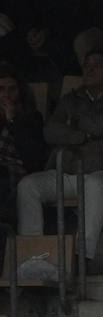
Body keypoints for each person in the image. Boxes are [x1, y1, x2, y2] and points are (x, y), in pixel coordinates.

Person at [18, 50, 103, 265]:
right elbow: (50, 132)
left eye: (97, 65)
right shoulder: (71, 99)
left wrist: (73, 125)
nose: (89, 69)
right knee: (27, 185)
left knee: (95, 185)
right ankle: (32, 257)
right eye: (86, 65)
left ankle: (83, 256)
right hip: (66, 171)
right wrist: (85, 134)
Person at [0, 64, 48, 230]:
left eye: (12, 89)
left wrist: (12, 120)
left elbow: (33, 153)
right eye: (1, 89)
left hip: (17, 171)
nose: (6, 94)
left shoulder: (31, 116)